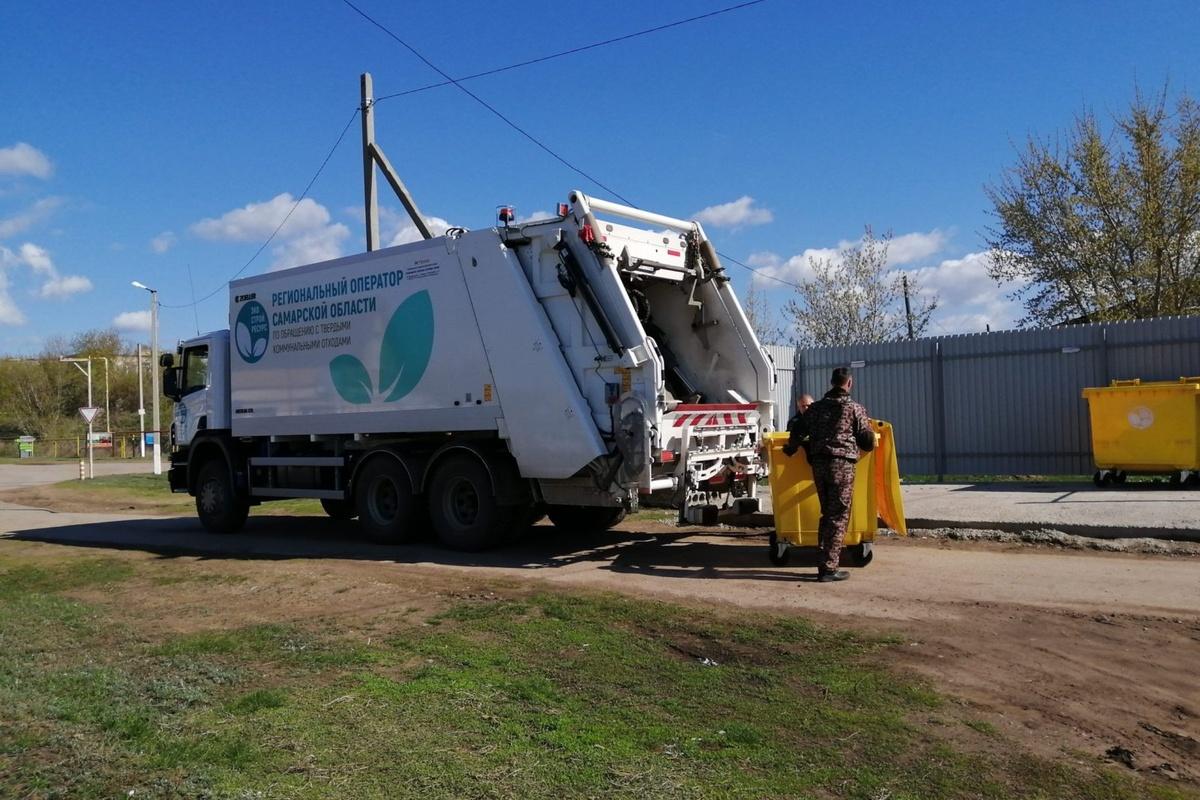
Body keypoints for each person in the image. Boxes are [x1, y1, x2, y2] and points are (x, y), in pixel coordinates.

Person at [782, 367, 875, 582]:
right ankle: (828, 568)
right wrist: (866, 431)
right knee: (838, 516)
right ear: (849, 383)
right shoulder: (854, 409)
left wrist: (792, 447)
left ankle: (824, 561)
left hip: (819, 465)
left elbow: (796, 432)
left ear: (832, 382)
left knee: (828, 515)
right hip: (842, 466)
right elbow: (867, 443)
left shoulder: (814, 409)